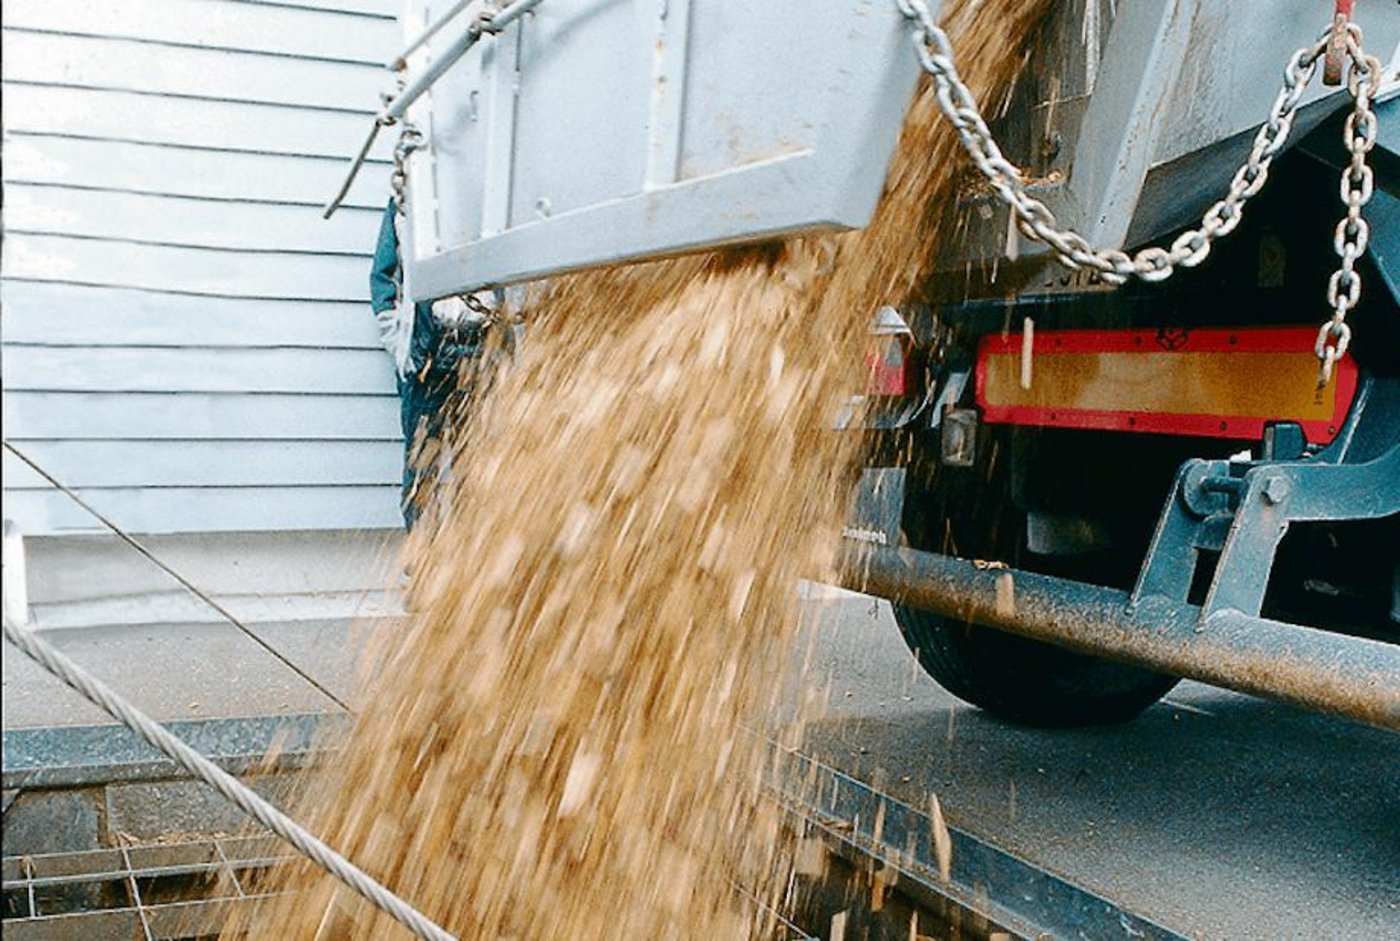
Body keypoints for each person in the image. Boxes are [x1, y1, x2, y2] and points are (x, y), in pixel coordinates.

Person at [369, 200, 488, 531]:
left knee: (477, 469)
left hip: (483, 350)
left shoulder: (495, 194)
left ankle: (470, 555)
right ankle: (423, 557)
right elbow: (383, 277)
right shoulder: (406, 199)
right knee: (423, 471)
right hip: (428, 356)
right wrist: (400, 345)